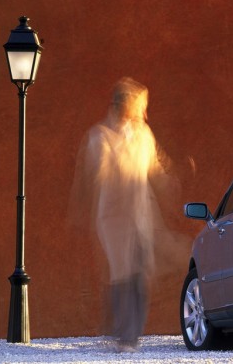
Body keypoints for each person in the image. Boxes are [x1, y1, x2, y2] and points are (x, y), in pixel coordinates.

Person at [69, 77, 183, 352]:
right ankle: (123, 335)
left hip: (141, 217)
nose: (145, 113)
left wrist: (170, 180)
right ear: (127, 105)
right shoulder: (100, 136)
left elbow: (155, 167)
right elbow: (94, 175)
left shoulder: (143, 134)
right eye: (141, 106)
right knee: (123, 275)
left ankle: (128, 334)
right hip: (114, 220)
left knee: (140, 275)